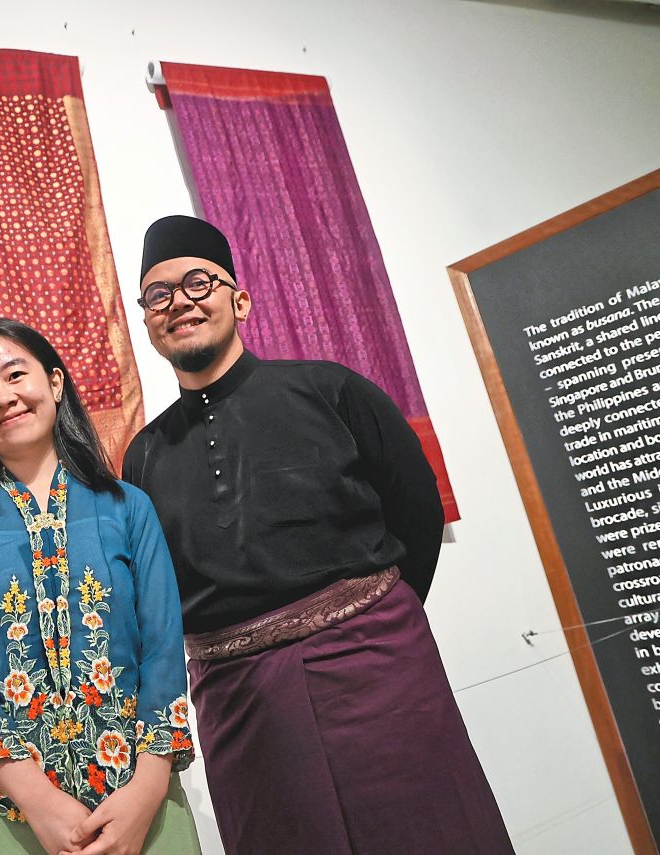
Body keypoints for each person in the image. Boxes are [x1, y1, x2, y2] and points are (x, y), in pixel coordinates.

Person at [123, 216, 513, 855]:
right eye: (159, 295)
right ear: (147, 321)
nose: (181, 302)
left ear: (239, 299)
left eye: (199, 282)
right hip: (240, 703)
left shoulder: (330, 390)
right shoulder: (143, 456)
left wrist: (370, 623)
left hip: (377, 668)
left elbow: (414, 509)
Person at [0, 318, 201, 855]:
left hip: (138, 801)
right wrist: (39, 803)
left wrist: (147, 789)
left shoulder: (128, 508)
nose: (3, 398)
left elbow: (164, 648)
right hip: (5, 807)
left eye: (14, 374)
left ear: (55, 383)